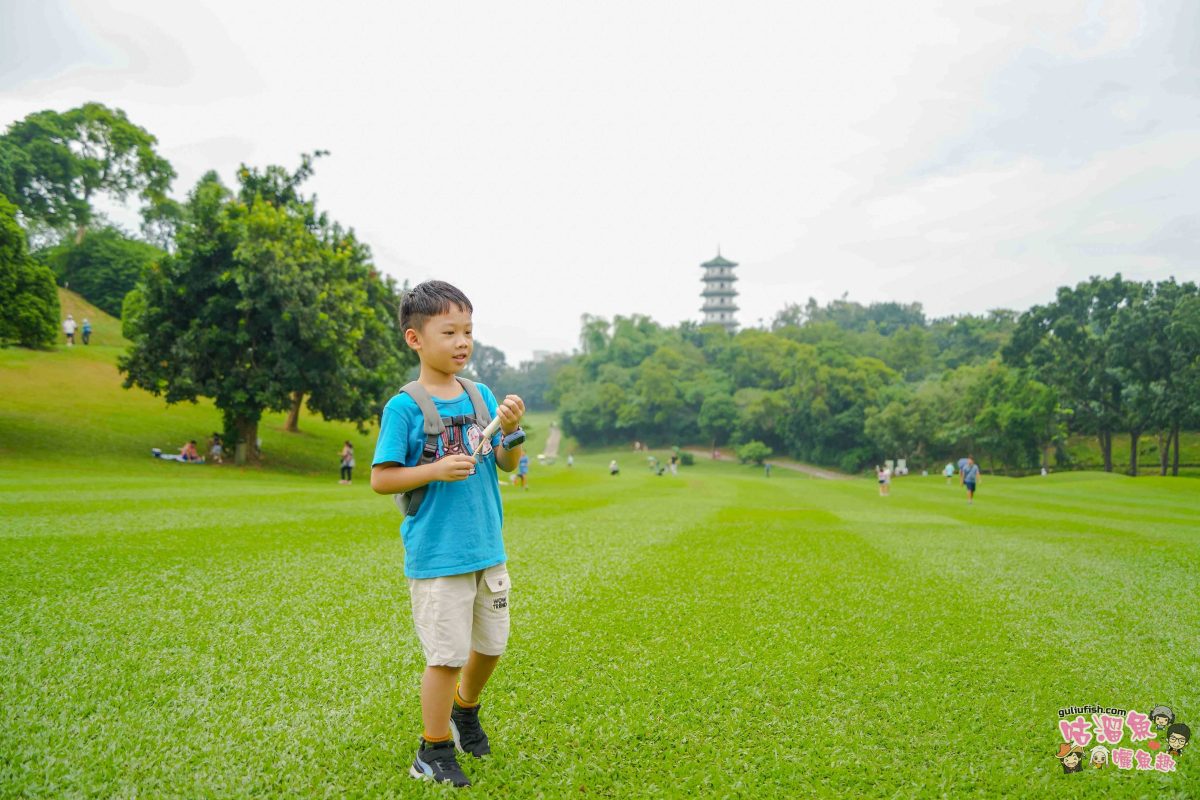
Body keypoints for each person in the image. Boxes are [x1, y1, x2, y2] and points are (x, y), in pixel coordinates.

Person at [369, 281, 525, 789]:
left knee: (492, 646)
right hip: (439, 555)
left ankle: (465, 711)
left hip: (487, 547)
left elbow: (506, 462)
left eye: (468, 331)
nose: (463, 342)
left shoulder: (480, 395)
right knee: (446, 657)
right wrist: (435, 470)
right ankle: (432, 749)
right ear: (415, 339)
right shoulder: (404, 408)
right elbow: (382, 479)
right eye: (450, 332)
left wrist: (512, 431)